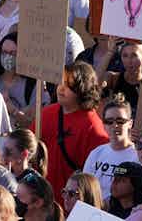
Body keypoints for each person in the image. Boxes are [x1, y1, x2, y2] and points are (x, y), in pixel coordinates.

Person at [34, 61, 108, 204]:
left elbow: (93, 179)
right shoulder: (47, 112)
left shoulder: (93, 127)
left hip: (68, 205)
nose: (61, 89)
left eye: (69, 85)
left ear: (83, 89)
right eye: (61, 82)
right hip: (40, 200)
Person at [0, 32, 51, 128]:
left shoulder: (34, 85)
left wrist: (12, 109)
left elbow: (35, 125)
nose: (8, 57)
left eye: (13, 53)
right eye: (4, 52)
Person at [83, 93, 139, 199]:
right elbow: (85, 187)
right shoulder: (96, 153)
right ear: (103, 124)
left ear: (130, 123)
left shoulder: (137, 157)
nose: (115, 126)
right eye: (109, 121)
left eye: (120, 121)